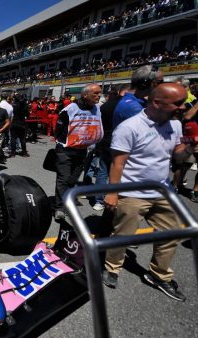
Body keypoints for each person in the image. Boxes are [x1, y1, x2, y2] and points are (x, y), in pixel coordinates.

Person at [102, 83, 192, 302]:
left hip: (162, 191)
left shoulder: (176, 126)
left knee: (171, 234)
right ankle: (112, 268)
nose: (184, 107)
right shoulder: (130, 127)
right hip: (131, 191)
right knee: (123, 236)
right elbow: (118, 164)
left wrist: (189, 148)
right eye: (178, 103)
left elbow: (176, 157)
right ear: (157, 103)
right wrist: (112, 193)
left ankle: (159, 274)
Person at [53, 84, 103, 220]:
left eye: (100, 93)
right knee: (63, 179)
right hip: (65, 150)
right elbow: (58, 129)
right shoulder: (70, 109)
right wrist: (66, 142)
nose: (99, 96)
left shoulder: (97, 109)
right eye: (95, 93)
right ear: (85, 95)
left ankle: (67, 202)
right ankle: (59, 208)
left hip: (82, 151)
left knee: (72, 180)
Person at [92, 86, 129, 211]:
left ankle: (99, 201)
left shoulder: (106, 106)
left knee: (102, 172)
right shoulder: (130, 107)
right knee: (120, 172)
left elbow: (98, 124)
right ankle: (116, 199)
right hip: (123, 144)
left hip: (106, 142)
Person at [10, 93, 29, 157]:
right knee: (22, 139)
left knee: (13, 138)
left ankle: (13, 153)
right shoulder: (25, 105)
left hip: (14, 123)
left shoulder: (14, 105)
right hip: (22, 124)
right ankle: (24, 153)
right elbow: (28, 115)